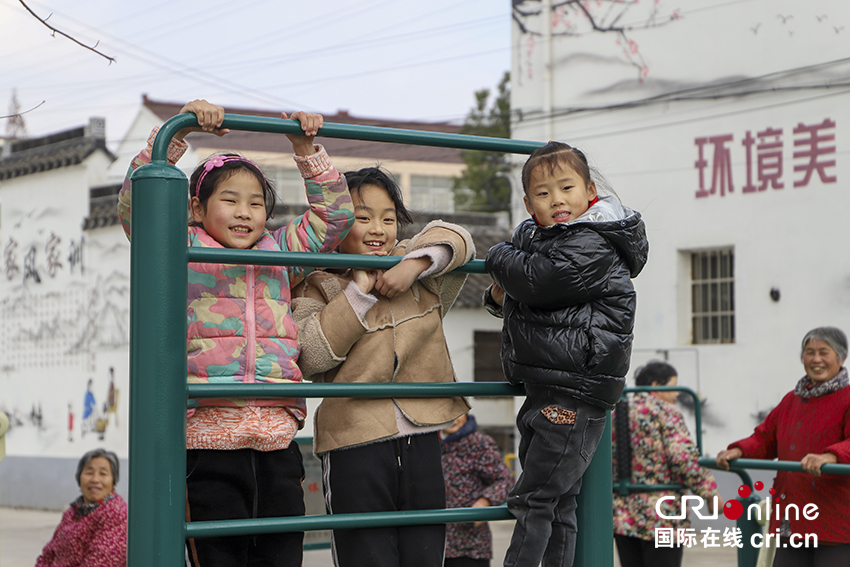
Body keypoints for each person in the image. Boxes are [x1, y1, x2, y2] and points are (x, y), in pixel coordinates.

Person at [118, 99, 354, 567]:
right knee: (219, 553)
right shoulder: (182, 246)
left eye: (256, 203)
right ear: (196, 206)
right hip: (207, 435)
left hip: (275, 436)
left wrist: (305, 149)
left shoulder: (281, 251)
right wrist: (174, 135)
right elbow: (135, 210)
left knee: (281, 549)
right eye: (229, 200)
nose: (245, 212)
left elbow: (335, 220)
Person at [291, 166, 474, 567]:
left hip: (423, 435)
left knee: (425, 555)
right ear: (338, 223)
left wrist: (413, 265)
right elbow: (310, 357)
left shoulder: (418, 273)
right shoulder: (317, 282)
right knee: (366, 557)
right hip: (352, 444)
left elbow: (459, 238)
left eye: (388, 218)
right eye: (362, 217)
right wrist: (357, 293)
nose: (378, 228)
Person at [483, 141, 648, 567]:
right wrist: (502, 291)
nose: (556, 200)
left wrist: (498, 255)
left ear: (590, 191)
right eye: (543, 193)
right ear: (528, 203)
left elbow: (540, 282)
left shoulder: (591, 241)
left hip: (573, 390)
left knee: (534, 498)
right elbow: (533, 299)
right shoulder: (551, 240)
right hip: (552, 384)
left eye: (566, 188)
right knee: (558, 503)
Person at [716, 326, 850, 566]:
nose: (816, 359)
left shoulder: (847, 397)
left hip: (836, 523)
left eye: (823, 352)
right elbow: (765, 438)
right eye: (809, 352)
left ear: (840, 358)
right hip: (793, 518)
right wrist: (739, 450)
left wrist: (831, 456)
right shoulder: (792, 399)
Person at [612, 361, 721, 567]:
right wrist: (710, 492)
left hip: (623, 515)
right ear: (655, 385)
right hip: (662, 515)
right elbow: (682, 456)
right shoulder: (666, 413)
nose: (676, 394)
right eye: (673, 386)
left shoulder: (616, 413)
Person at [441, 413, 515, 567]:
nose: (453, 418)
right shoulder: (428, 446)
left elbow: (505, 480)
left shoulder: (478, 443)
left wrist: (484, 501)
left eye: (457, 412)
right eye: (446, 413)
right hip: (436, 544)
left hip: (470, 546)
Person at [36, 449, 127, 567]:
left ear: (113, 482)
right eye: (89, 473)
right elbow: (48, 554)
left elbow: (99, 562)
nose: (95, 479)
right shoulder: (73, 512)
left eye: (103, 474)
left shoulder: (116, 513)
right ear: (79, 479)